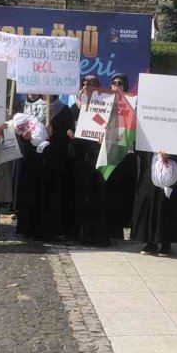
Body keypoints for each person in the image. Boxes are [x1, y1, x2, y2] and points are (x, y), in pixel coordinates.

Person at [16, 95, 75, 240]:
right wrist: (24, 136)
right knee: (31, 191)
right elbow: (20, 129)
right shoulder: (29, 107)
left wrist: (55, 133)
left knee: (51, 193)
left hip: (52, 160)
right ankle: (28, 228)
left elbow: (69, 133)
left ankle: (50, 229)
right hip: (32, 158)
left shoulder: (63, 109)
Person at [131, 126, 177, 256]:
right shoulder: (147, 112)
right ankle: (149, 241)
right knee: (149, 201)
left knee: (168, 202)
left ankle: (166, 242)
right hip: (150, 161)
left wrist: (172, 152)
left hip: (172, 164)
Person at [68, 75, 111, 246]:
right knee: (80, 196)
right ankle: (80, 233)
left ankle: (98, 234)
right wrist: (69, 133)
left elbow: (108, 128)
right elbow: (67, 128)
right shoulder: (73, 109)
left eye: (91, 84)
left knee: (97, 196)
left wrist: (105, 135)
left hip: (96, 158)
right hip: (78, 158)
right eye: (84, 84)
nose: (86, 87)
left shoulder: (102, 108)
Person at [101, 73, 137, 240]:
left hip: (126, 155)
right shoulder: (104, 104)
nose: (116, 86)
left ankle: (121, 230)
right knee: (108, 194)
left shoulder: (133, 104)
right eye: (114, 83)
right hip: (109, 154)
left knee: (123, 195)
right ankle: (108, 229)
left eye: (120, 83)